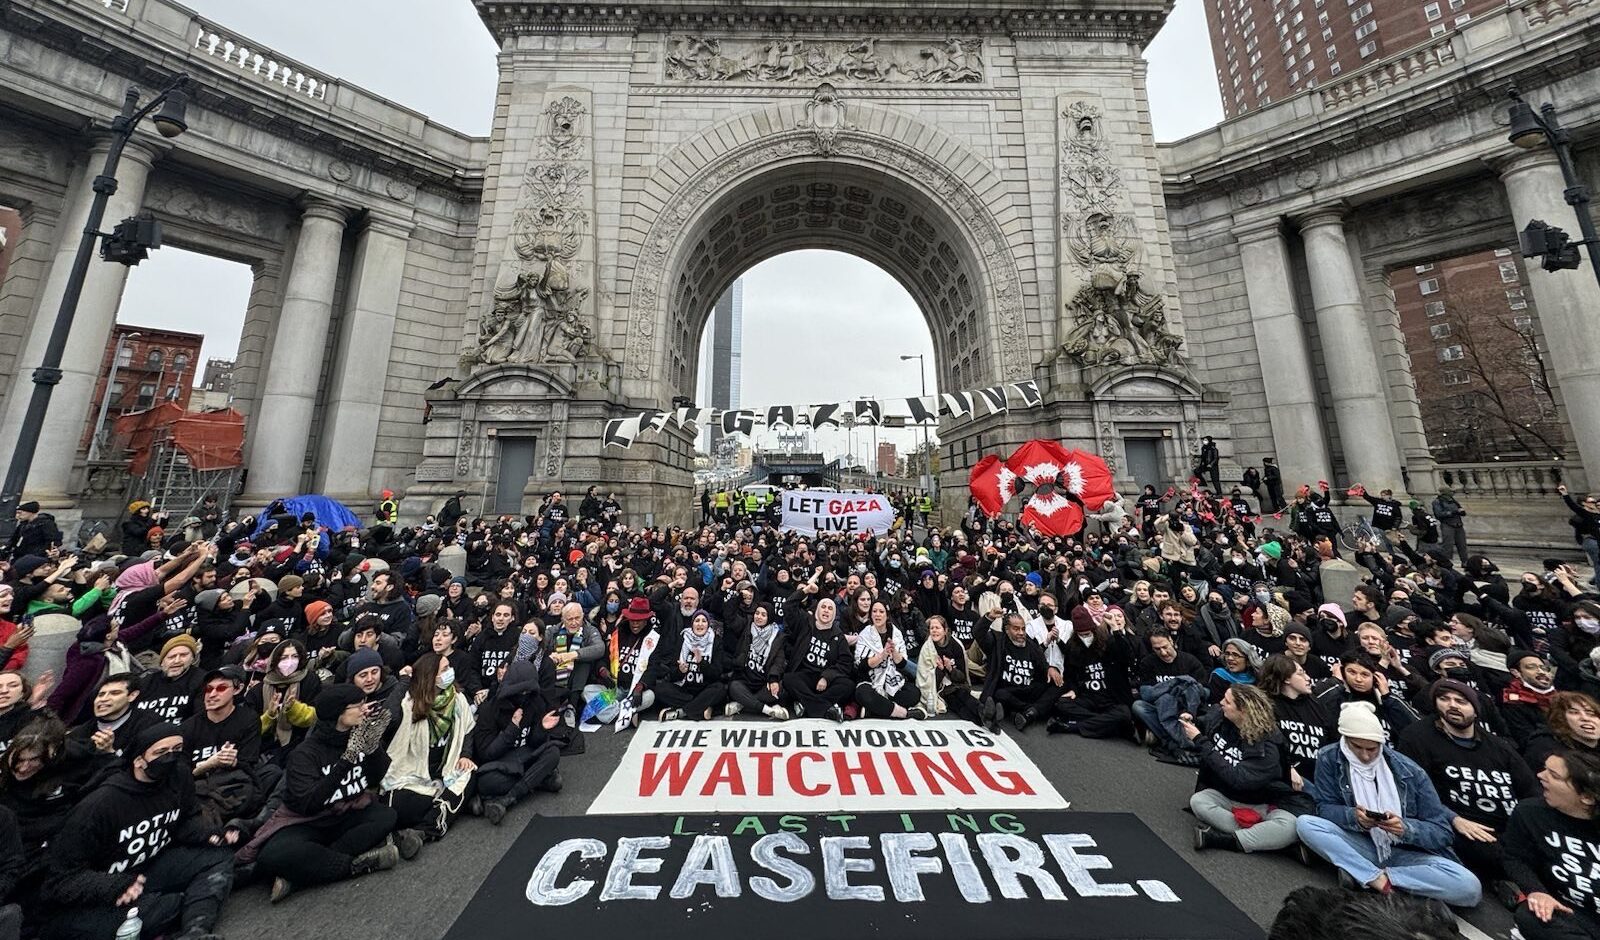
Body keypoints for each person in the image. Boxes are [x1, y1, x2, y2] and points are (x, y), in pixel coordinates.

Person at [38, 722, 235, 940]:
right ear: (139, 760)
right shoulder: (99, 805)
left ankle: (195, 932)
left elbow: (185, 820)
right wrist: (114, 886)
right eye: (161, 752)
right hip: (106, 886)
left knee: (218, 858)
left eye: (177, 750)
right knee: (162, 910)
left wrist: (210, 833)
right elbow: (59, 881)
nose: (171, 757)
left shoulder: (179, 776)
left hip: (149, 867)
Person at [1296, 701, 1483, 908]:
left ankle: (1372, 876)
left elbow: (1442, 831)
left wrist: (1406, 828)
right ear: (1345, 740)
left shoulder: (1411, 771)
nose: (1366, 755)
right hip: (1361, 842)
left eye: (1372, 749)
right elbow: (1325, 808)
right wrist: (1354, 817)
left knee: (1470, 887)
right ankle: (1378, 881)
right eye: (1358, 747)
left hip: (1407, 853)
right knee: (1306, 824)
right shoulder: (1329, 757)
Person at [246, 685, 409, 903]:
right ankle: (354, 866)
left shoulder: (358, 735)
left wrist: (372, 750)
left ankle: (305, 874)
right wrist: (345, 761)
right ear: (338, 714)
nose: (364, 709)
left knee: (385, 816)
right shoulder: (305, 753)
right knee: (272, 855)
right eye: (358, 705)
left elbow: (373, 778)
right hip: (308, 821)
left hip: (346, 812)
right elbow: (309, 803)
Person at [1396, 678, 1538, 904]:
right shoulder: (1417, 736)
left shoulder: (1499, 747)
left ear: (1476, 709)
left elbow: (1531, 791)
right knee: (1488, 853)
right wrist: (1453, 818)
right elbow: (1413, 790)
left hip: (1508, 828)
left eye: (1461, 701)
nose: (1452, 705)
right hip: (1457, 824)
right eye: (1444, 699)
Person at [1184, 684, 1310, 854]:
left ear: (1243, 711)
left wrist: (1200, 741)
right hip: (1227, 796)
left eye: (1227, 702)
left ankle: (1228, 840)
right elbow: (1206, 721)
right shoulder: (1222, 716)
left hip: (1264, 802)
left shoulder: (1267, 745)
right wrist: (1192, 720)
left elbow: (1240, 779)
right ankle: (1265, 838)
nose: (1221, 702)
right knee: (1198, 801)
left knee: (1290, 826)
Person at [1502, 752, 1600, 939]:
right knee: (1533, 916)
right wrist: (1537, 891)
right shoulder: (1530, 813)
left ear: (1586, 797)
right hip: (1568, 912)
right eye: (1545, 769)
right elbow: (1514, 858)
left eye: (1553, 776)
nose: (1540, 775)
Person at [381, 653, 475, 843]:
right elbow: (388, 718)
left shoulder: (458, 700)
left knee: (470, 774)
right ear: (430, 676)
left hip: (444, 772)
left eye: (449, 667)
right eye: (444, 670)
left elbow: (467, 730)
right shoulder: (409, 703)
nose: (450, 672)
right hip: (412, 776)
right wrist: (404, 681)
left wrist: (465, 755)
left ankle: (422, 832)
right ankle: (449, 807)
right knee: (397, 805)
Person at [471, 658, 562, 825]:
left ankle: (506, 800)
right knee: (486, 782)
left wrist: (542, 728)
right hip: (501, 763)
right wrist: (512, 728)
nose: (524, 696)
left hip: (525, 756)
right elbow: (486, 753)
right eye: (521, 692)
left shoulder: (535, 702)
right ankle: (538, 780)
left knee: (553, 753)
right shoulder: (490, 709)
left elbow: (535, 743)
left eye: (528, 692)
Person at [180, 668, 263, 829]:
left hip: (234, 787)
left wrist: (234, 761)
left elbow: (249, 762)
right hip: (196, 788)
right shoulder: (188, 727)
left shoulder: (248, 718)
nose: (212, 695)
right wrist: (208, 765)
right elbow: (181, 773)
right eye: (208, 689)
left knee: (270, 773)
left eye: (221, 688)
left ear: (237, 689)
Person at [782, 596, 852, 722]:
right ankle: (827, 710)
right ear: (817, 610)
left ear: (834, 614)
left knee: (848, 685)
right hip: (804, 676)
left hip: (825, 680)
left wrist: (826, 677)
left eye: (830, 608)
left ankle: (806, 704)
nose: (826, 611)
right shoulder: (805, 623)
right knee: (788, 679)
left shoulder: (839, 636)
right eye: (823, 607)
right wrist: (805, 591)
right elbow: (788, 606)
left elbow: (845, 663)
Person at [980, 612, 1050, 733]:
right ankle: (1028, 710)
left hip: (1028, 690)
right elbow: (979, 634)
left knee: (1057, 684)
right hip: (1007, 690)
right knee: (1000, 695)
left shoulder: (1032, 646)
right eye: (1016, 629)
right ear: (1007, 629)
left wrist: (1051, 669)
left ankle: (1026, 711)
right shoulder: (997, 641)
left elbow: (1043, 669)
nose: (1021, 633)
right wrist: (989, 617)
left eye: (1023, 629)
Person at [652, 610, 726, 722]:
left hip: (705, 689)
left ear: (708, 624)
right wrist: (680, 671)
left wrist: (702, 662)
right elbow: (672, 673)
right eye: (697, 621)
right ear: (692, 624)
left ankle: (681, 712)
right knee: (660, 689)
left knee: (720, 689)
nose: (700, 624)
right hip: (685, 690)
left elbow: (717, 673)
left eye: (704, 621)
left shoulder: (715, 641)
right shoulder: (683, 639)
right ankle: (701, 708)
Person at [854, 601, 924, 720]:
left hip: (892, 680)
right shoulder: (865, 634)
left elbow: (903, 664)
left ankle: (874, 711)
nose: (877, 615)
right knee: (862, 694)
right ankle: (904, 713)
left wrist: (894, 652)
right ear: (871, 615)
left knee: (914, 693)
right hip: (871, 681)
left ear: (887, 615)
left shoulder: (896, 633)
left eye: (881, 612)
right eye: (874, 611)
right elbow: (861, 665)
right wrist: (882, 656)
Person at [725, 603, 790, 720]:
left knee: (780, 689)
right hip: (745, 679)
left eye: (763, 615)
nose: (759, 617)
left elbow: (778, 661)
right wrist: (738, 598)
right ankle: (767, 710)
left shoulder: (778, 636)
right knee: (734, 687)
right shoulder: (746, 626)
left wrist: (773, 679)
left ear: (769, 617)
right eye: (757, 613)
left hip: (764, 682)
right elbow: (729, 616)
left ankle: (743, 703)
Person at [916, 615, 981, 723]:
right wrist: (940, 669)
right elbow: (926, 681)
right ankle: (980, 720)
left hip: (957, 684)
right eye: (932, 628)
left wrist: (950, 669)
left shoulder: (956, 645)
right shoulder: (927, 649)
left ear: (945, 630)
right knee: (955, 702)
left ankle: (984, 712)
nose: (934, 631)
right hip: (941, 690)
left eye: (937, 628)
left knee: (963, 695)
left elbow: (962, 677)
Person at [1433, 488, 1469, 567]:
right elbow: (1439, 514)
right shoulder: (1438, 501)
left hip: (1458, 524)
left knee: (1462, 544)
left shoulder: (1453, 500)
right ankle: (1446, 562)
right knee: (1447, 545)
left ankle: (1465, 561)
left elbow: (1461, 509)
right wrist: (1453, 512)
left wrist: (1462, 512)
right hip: (1447, 524)